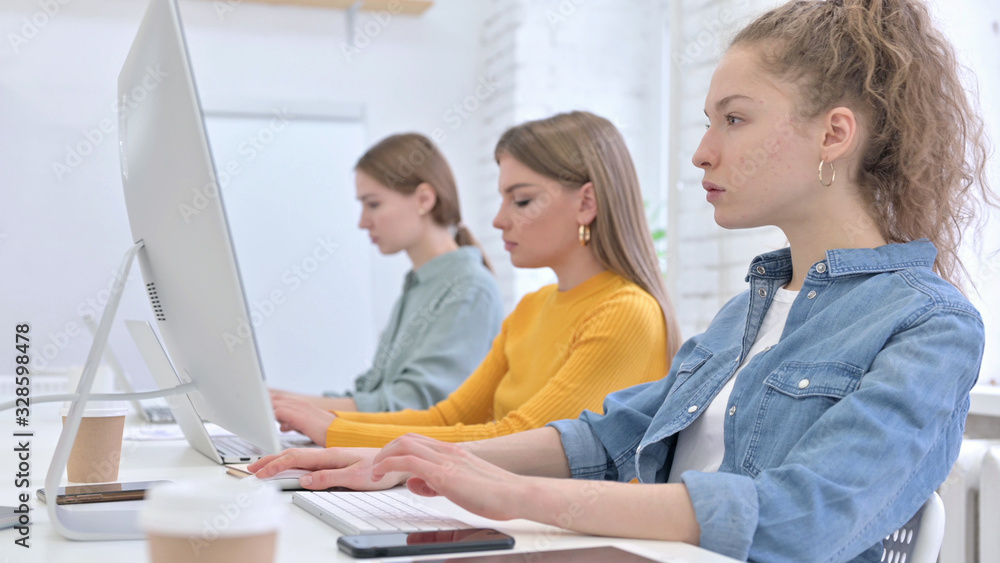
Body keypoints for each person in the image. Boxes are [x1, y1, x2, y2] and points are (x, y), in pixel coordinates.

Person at [251, 1, 995, 560]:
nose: (702, 153)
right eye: (707, 121)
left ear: (834, 134)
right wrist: (404, 459)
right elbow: (609, 436)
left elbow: (802, 516)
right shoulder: (746, 312)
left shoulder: (929, 324)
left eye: (733, 120)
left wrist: (513, 494)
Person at [270, 111, 683, 447]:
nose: (499, 219)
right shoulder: (531, 308)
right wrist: (324, 421)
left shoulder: (627, 312)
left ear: (586, 203)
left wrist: (335, 430)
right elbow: (447, 417)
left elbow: (520, 439)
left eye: (521, 200)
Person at [272, 133, 504, 414]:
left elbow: (414, 406)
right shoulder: (418, 284)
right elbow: (375, 393)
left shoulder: (470, 288)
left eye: (373, 204)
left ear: (424, 198)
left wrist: (284, 405)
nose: (362, 222)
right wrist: (290, 407)